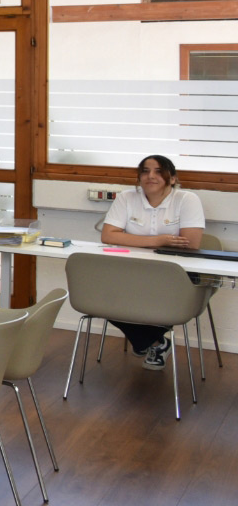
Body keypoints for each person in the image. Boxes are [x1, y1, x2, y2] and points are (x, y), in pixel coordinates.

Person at [99, 154, 207, 369]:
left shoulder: (187, 199)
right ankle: (156, 341)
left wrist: (131, 239)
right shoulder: (126, 198)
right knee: (100, 294)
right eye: (145, 171)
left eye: (158, 171)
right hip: (133, 270)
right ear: (139, 178)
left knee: (147, 297)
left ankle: (145, 340)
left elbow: (191, 243)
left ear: (172, 178)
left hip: (176, 274)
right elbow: (108, 236)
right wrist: (159, 240)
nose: (151, 176)